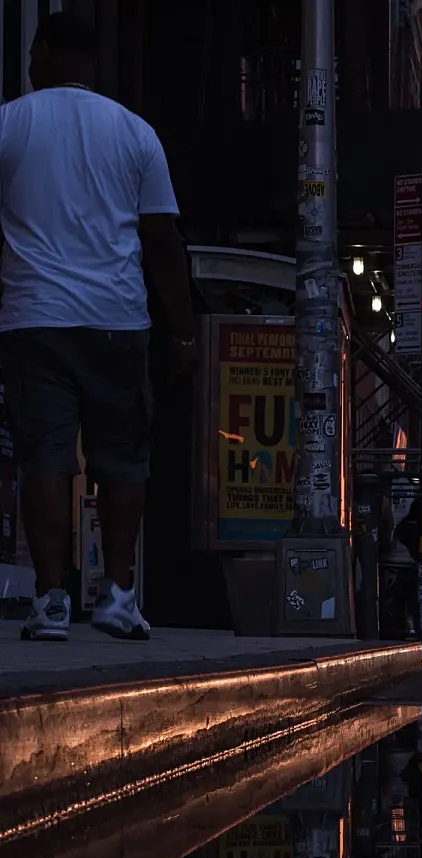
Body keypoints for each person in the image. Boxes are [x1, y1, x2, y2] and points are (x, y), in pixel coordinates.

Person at [0, 14, 195, 642]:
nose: (30, 63)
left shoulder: (9, 125)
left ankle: (52, 601)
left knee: (46, 460)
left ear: (49, 52)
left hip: (35, 321)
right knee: (121, 462)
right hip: (117, 321)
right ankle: (117, 596)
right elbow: (162, 240)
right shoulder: (135, 134)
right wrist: (183, 331)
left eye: (34, 51)